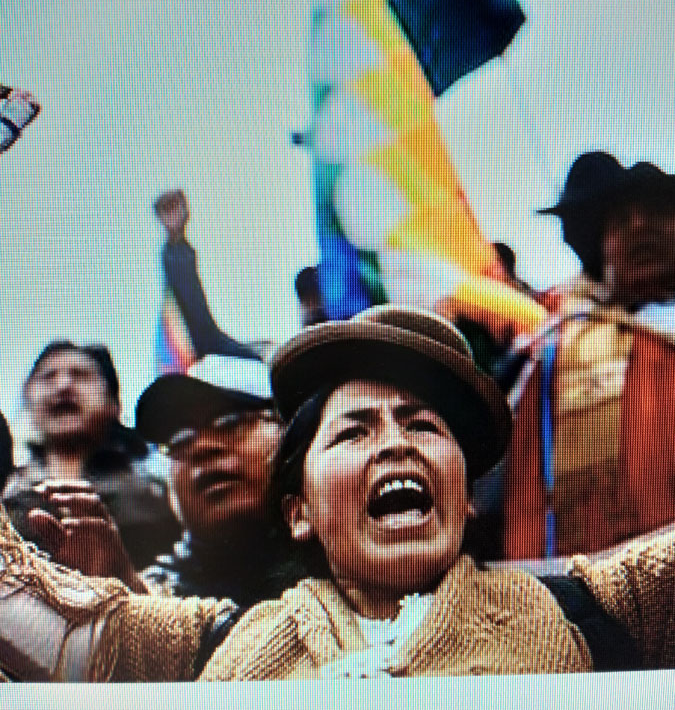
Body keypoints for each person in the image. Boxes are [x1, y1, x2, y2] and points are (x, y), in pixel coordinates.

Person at [1, 306, 674, 681]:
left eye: (421, 424)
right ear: (298, 511)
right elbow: (30, 621)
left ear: (465, 494)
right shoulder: (216, 641)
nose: (394, 443)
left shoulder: (592, 608)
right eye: (353, 431)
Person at [503, 153, 675, 559]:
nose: (639, 226)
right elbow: (527, 508)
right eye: (619, 223)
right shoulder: (554, 359)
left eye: (659, 213)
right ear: (598, 251)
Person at [25, 354, 287, 605]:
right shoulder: (146, 593)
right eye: (179, 441)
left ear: (287, 429)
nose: (200, 447)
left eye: (231, 422)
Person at [1, 341, 180, 568]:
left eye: (81, 375)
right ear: (27, 400)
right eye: (48, 377)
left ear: (113, 404)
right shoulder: (7, 494)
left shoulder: (163, 486)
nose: (63, 386)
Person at [154, 189, 265, 365]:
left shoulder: (185, 251)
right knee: (254, 358)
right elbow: (189, 313)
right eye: (168, 210)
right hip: (194, 342)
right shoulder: (172, 255)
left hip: (208, 337)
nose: (174, 215)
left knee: (256, 356)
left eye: (177, 207)